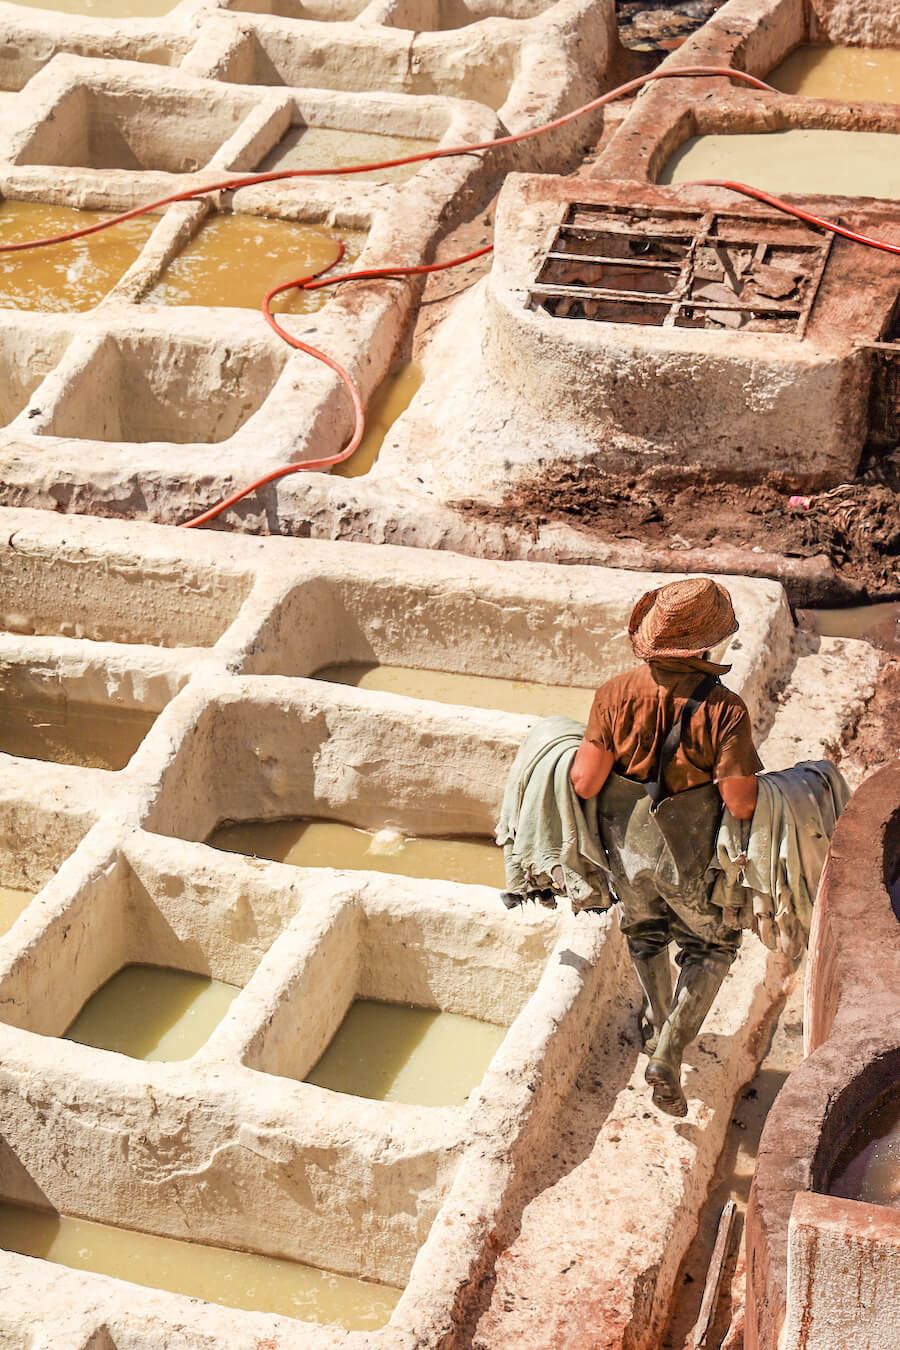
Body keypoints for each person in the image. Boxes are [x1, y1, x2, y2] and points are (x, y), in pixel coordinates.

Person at [569, 577, 761, 1117]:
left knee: (645, 932)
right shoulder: (725, 711)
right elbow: (741, 803)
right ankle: (669, 1052)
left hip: (625, 853)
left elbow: (585, 783)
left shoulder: (614, 693)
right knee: (713, 947)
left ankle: (657, 1025)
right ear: (706, 645)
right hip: (689, 856)